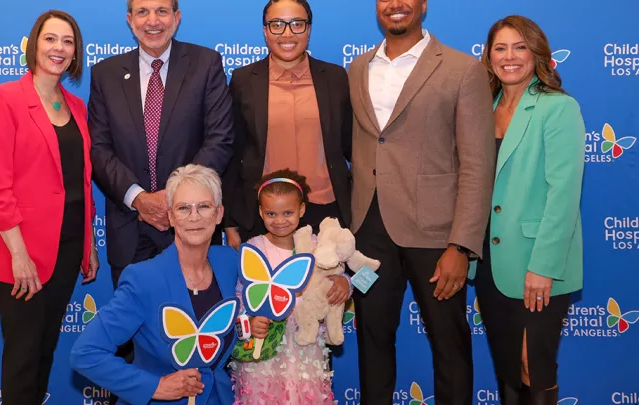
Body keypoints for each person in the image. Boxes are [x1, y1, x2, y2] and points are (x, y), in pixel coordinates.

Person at [347, 1, 496, 403]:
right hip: (370, 231)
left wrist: (462, 244)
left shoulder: (463, 69)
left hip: (437, 234)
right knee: (372, 343)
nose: (396, 4)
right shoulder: (357, 68)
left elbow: (478, 164)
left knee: (449, 346)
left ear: (424, 5)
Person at [89, 1, 233, 396]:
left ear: (177, 18)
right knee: (128, 343)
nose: (153, 21)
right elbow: (99, 150)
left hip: (189, 227)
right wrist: (139, 199)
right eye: (142, 12)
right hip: (129, 226)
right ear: (129, 20)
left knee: (196, 342)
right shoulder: (104, 73)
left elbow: (220, 139)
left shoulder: (205, 64)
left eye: (162, 11)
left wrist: (174, 201)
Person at [0, 10, 99, 405]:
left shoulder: (76, 106)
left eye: (67, 41)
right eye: (50, 39)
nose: (58, 48)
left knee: (45, 349)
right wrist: (20, 255)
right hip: (18, 252)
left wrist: (88, 244)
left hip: (65, 247)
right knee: (24, 355)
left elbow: (79, 180)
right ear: (33, 44)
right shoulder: (3, 99)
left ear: (76, 52)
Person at [473, 15, 585, 405]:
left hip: (538, 264)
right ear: (488, 57)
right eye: (500, 48)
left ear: (536, 54)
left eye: (520, 47)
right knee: (507, 366)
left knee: (531, 365)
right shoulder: (481, 107)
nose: (509, 57)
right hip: (489, 261)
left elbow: (564, 194)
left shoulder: (558, 108)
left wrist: (544, 267)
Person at [71, 164, 238, 405]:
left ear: (219, 213)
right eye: (183, 208)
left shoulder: (230, 263)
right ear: (170, 216)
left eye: (204, 206)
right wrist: (156, 386)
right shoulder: (144, 279)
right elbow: (86, 353)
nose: (194, 217)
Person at [222, 0, 352, 249]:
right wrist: (230, 220)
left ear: (309, 29)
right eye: (277, 25)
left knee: (326, 287)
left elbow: (352, 147)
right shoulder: (243, 80)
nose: (287, 34)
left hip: (326, 214)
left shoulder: (335, 78)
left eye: (297, 24)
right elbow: (233, 153)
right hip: (263, 214)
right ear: (265, 30)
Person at [229, 169, 351, 405]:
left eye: (288, 212)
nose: (280, 220)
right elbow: (240, 295)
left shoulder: (314, 246)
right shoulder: (253, 248)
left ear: (302, 210)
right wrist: (249, 322)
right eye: (271, 213)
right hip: (264, 350)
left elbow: (337, 275)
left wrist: (344, 283)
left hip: (305, 347)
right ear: (261, 212)